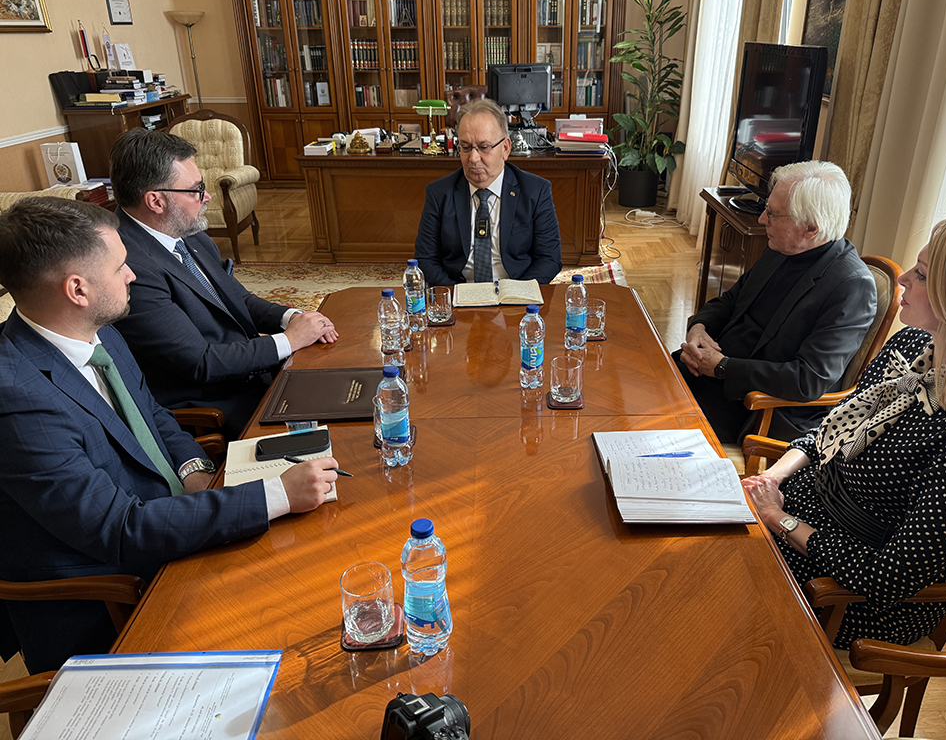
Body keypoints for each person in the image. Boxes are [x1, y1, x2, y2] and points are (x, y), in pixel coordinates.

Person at [0, 197, 340, 674]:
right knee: (308, 625)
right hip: (113, 593)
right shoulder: (17, 398)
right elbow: (120, 530)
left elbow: (154, 413)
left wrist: (194, 467)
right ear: (77, 289)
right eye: (120, 267)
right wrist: (275, 495)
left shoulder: (98, 331)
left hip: (170, 520)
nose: (132, 275)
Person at [743, 215, 946, 649]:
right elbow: (833, 431)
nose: (904, 279)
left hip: (848, 592)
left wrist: (779, 520)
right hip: (799, 512)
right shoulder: (913, 345)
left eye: (922, 275)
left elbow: (889, 577)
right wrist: (772, 478)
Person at [109, 128, 338, 440]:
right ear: (156, 201)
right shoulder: (128, 268)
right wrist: (289, 341)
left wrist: (293, 317)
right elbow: (200, 362)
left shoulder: (189, 234)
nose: (207, 197)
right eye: (196, 190)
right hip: (217, 404)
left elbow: (237, 300)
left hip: (252, 374)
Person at [676, 160, 877, 444]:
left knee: (647, 425)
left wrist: (723, 367)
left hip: (755, 407)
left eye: (772, 214)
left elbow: (809, 379)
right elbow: (731, 301)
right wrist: (698, 328)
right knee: (634, 383)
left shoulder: (852, 286)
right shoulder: (781, 247)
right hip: (710, 373)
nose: (762, 220)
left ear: (811, 228)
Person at [414, 98, 562, 286]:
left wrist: (519, 293)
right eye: (465, 147)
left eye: (484, 147)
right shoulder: (439, 193)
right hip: (459, 291)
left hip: (515, 291)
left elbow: (549, 258)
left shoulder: (535, 191)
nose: (473, 158)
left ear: (505, 148)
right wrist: (456, 294)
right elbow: (425, 259)